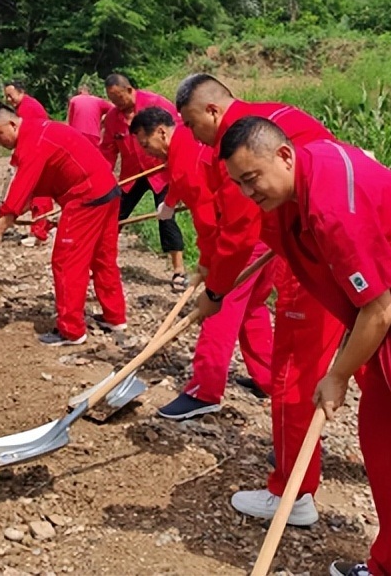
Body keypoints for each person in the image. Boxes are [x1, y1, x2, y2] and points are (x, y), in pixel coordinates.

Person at [221, 116, 391, 576]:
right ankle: (390, 566)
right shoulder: (306, 170)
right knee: (384, 450)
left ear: (284, 155)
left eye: (252, 180)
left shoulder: (332, 209)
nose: (249, 194)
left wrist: (337, 375)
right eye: (239, 185)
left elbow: (379, 312)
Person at [175, 73, 343, 527]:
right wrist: (210, 266)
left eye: (191, 124)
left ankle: (293, 493)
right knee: (361, 349)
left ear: (212, 110)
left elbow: (240, 226)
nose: (191, 135)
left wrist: (215, 292)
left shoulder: (242, 145)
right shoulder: (269, 113)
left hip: (313, 249)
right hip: (334, 241)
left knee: (293, 375)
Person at [130, 106, 274, 420]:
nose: (147, 153)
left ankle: (204, 392)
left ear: (161, 132)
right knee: (253, 306)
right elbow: (185, 187)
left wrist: (210, 267)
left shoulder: (185, 156)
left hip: (243, 236)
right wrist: (168, 203)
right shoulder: (185, 144)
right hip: (265, 231)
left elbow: (208, 220)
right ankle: (269, 380)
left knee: (218, 308)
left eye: (145, 144)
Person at [0, 103, 126, 346]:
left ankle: (71, 330)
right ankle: (115, 317)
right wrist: (9, 216)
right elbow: (28, 194)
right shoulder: (39, 131)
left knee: (67, 261)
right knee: (102, 258)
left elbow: (18, 194)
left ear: (13, 124)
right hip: (107, 189)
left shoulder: (34, 142)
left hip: (86, 197)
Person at [100, 73, 187, 289]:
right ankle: (103, 262)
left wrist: (174, 159)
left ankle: (178, 271)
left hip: (161, 171)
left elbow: (179, 133)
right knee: (114, 215)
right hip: (132, 175)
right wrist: (101, 178)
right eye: (112, 99)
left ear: (130, 90)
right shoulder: (112, 118)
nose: (116, 103)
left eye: (119, 97)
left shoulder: (156, 104)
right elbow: (107, 151)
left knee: (166, 216)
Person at [3, 80, 53, 246]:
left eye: (11, 96)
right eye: (6, 97)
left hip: (39, 153)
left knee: (37, 194)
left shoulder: (27, 108)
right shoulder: (26, 105)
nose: (9, 99)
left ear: (21, 91)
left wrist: (17, 159)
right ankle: (42, 228)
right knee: (39, 192)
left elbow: (26, 137)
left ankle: (39, 232)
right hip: (42, 151)